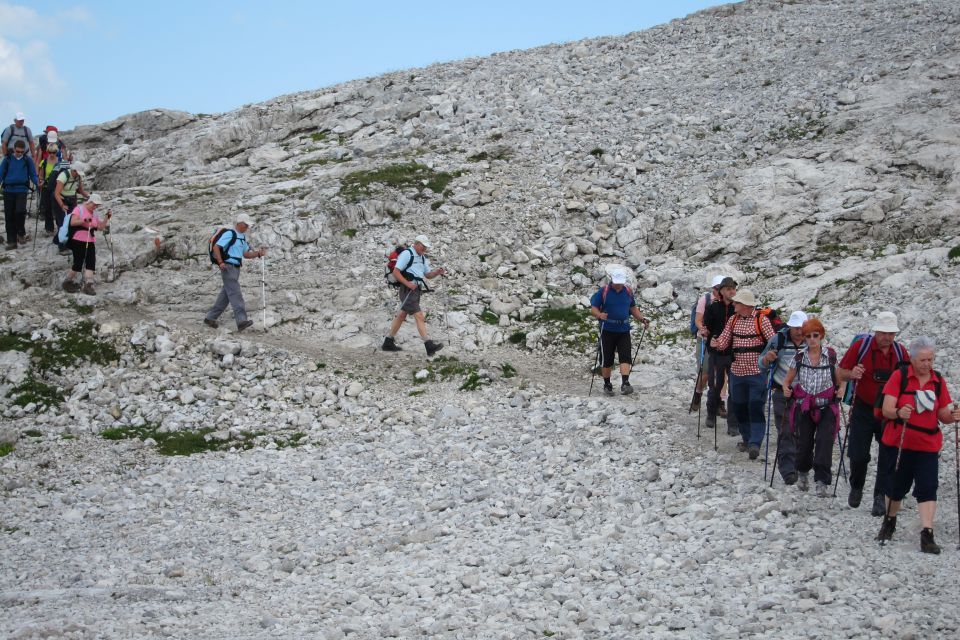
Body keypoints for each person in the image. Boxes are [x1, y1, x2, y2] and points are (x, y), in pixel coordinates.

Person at [875, 337, 960, 553]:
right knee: (896, 487)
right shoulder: (900, 377)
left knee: (928, 486)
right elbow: (886, 409)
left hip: (928, 445)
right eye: (923, 360)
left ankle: (927, 533)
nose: (927, 364)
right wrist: (898, 412)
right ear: (912, 359)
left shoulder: (937, 381)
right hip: (900, 443)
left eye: (930, 359)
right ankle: (890, 520)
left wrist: (952, 416)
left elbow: (941, 413)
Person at [837, 311, 910, 516]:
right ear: (876, 331)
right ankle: (857, 486)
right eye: (883, 332)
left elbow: (908, 380)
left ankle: (880, 496)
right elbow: (840, 372)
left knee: (888, 454)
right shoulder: (861, 347)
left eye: (891, 333)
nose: (887, 337)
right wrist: (852, 374)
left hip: (889, 411)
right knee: (858, 454)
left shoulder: (900, 352)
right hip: (863, 407)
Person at [710, 289, 776, 459]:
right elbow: (724, 342)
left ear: (746, 305)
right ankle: (747, 439)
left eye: (737, 303)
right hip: (737, 371)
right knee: (739, 405)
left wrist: (770, 358)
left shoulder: (762, 321)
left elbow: (773, 343)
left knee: (755, 405)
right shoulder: (733, 320)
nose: (734, 304)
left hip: (757, 372)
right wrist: (714, 342)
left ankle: (755, 442)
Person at [781, 318, 839, 496]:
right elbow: (788, 380)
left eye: (816, 335)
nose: (812, 339)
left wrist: (841, 389)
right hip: (804, 407)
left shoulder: (830, 356)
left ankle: (822, 481)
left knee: (824, 442)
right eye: (808, 336)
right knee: (804, 442)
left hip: (826, 406)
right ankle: (803, 473)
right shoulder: (799, 357)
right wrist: (785, 389)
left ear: (821, 335)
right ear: (805, 338)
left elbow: (839, 378)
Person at [759, 310, 808, 484]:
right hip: (781, 392)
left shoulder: (812, 342)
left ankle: (800, 466)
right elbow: (761, 364)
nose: (798, 331)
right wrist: (767, 360)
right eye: (795, 327)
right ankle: (788, 471)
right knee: (786, 431)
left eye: (801, 327)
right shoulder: (777, 340)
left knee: (803, 431)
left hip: (806, 395)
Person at [381, 235, 446, 356]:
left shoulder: (422, 257)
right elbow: (396, 272)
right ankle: (429, 345)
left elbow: (427, 275)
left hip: (416, 290)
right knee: (419, 316)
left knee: (401, 315)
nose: (425, 249)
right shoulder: (407, 254)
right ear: (417, 243)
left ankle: (388, 342)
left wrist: (437, 272)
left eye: (426, 247)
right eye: (423, 246)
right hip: (407, 289)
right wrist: (408, 284)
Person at [589, 268, 650, 396]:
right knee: (607, 359)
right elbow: (593, 308)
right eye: (617, 282)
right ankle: (607, 384)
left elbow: (632, 307)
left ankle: (625, 383)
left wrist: (641, 318)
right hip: (607, 329)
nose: (619, 284)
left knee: (625, 356)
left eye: (621, 282)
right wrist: (599, 315)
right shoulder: (604, 291)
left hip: (624, 329)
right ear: (612, 280)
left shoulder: (627, 291)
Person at [204, 214, 266, 332]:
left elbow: (246, 254)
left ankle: (210, 318)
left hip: (236, 268)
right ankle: (241, 321)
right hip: (228, 267)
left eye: (248, 225)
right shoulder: (230, 234)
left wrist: (258, 253)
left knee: (226, 296)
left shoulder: (242, 237)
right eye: (245, 224)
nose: (247, 227)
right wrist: (221, 262)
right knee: (236, 294)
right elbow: (216, 247)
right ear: (238, 223)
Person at [700, 277, 739, 434]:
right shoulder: (713, 308)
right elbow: (706, 326)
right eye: (729, 289)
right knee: (715, 385)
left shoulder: (737, 309)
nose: (732, 291)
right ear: (722, 291)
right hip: (716, 352)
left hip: (733, 353)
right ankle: (711, 414)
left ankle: (733, 423)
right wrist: (705, 332)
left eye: (733, 289)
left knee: (734, 387)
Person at [61, 194, 111, 295]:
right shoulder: (79, 209)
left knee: (91, 262)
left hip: (90, 240)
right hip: (78, 239)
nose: (95, 207)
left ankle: (88, 285)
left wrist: (107, 217)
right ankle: (67, 282)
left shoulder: (95, 214)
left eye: (97, 205)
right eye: (95, 204)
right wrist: (84, 220)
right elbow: (73, 223)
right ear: (90, 201)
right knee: (78, 263)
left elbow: (100, 227)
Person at [690, 274, 725, 412]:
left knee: (722, 373)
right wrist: (703, 329)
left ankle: (720, 401)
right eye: (717, 288)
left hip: (722, 341)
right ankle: (698, 393)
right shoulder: (705, 300)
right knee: (705, 372)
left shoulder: (728, 302)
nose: (719, 291)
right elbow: (698, 320)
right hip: (704, 339)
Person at [0, 140, 40, 249]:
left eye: (22, 152)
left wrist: (38, 183)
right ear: (14, 148)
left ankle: (21, 233)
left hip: (22, 190)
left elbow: (33, 175)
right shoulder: (7, 159)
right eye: (18, 151)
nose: (19, 153)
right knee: (9, 216)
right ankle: (12, 242)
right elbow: (1, 174)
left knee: (20, 212)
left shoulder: (28, 160)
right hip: (8, 190)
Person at [54, 161, 88, 251]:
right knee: (62, 222)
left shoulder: (78, 177)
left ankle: (67, 242)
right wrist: (62, 205)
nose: (78, 175)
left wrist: (89, 197)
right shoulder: (63, 176)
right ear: (73, 170)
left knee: (72, 221)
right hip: (60, 199)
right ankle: (62, 246)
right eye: (77, 173)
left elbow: (80, 190)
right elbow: (56, 193)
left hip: (72, 199)